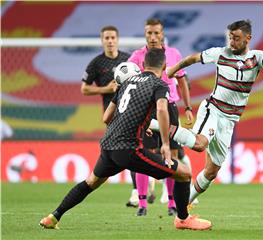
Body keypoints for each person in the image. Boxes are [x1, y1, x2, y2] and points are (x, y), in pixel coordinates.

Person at [39, 48, 212, 231]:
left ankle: (54, 216)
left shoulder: (127, 82)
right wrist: (166, 145)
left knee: (90, 182)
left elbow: (106, 117)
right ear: (164, 65)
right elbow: (161, 110)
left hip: (108, 144)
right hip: (128, 149)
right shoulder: (159, 84)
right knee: (184, 173)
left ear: (143, 65)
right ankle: (183, 220)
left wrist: (138, 126)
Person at [150, 20, 263, 204]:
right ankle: (154, 124)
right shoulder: (221, 53)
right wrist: (173, 69)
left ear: (248, 38)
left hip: (229, 120)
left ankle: (185, 203)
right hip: (213, 109)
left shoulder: (256, 57)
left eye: (236, 38)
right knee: (199, 144)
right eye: (230, 37)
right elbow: (193, 58)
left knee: (211, 171)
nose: (232, 42)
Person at [128, 18, 193, 216]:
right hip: (146, 109)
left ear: (163, 34)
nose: (153, 37)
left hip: (170, 108)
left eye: (157, 33)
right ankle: (142, 204)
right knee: (144, 154)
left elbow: (182, 81)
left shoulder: (173, 54)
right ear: (145, 34)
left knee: (172, 156)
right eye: (149, 33)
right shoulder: (136, 57)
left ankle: (172, 203)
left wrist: (188, 107)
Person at [80, 25, 138, 207]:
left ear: (118, 39)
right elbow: (84, 88)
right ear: (102, 40)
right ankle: (140, 189)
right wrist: (106, 89)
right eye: (107, 38)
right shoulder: (96, 63)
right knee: (126, 151)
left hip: (130, 112)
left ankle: (138, 192)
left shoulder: (128, 59)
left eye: (113, 37)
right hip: (111, 115)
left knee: (131, 149)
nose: (110, 41)